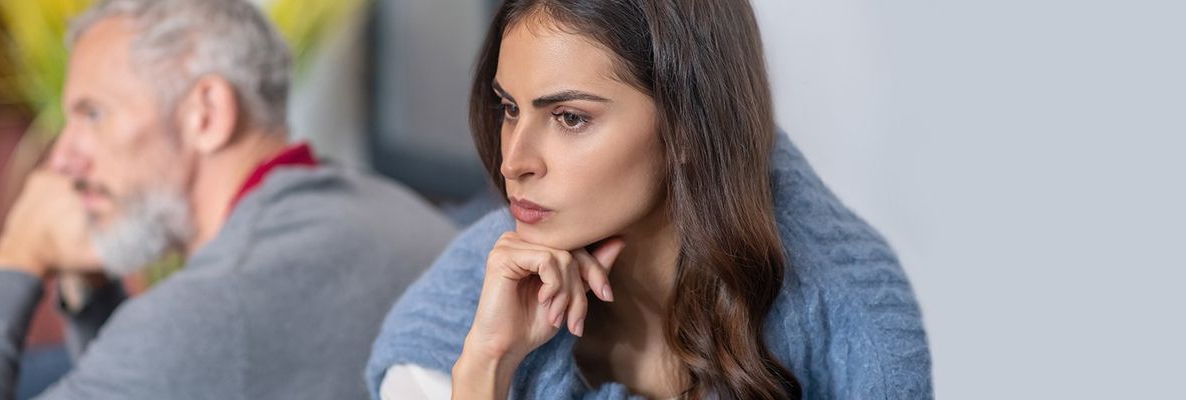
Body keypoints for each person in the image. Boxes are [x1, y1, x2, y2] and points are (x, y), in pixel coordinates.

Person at [365, 0, 933, 399]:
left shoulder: (854, 323)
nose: (513, 160)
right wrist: (485, 366)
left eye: (569, 118)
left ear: (689, 127)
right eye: (511, 108)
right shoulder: (472, 295)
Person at [0, 0, 456, 398]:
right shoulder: (375, 201)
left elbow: (188, 347)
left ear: (206, 114)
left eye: (93, 113)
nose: (62, 158)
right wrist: (92, 292)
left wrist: (16, 257)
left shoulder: (213, 306)